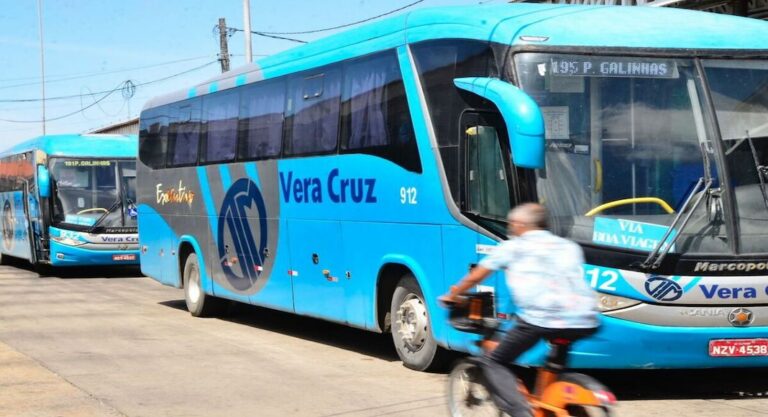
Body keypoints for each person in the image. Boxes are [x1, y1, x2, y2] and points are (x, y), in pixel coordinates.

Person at [439, 203, 599, 417]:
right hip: (585, 319)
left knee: (494, 361)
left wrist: (453, 294)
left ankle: (522, 412)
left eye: (512, 223)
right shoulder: (568, 246)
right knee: (554, 360)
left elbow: (477, 275)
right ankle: (548, 404)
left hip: (542, 318)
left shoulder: (514, 246)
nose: (511, 226)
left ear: (519, 224)